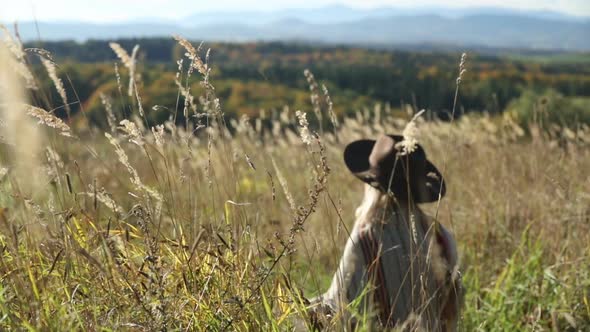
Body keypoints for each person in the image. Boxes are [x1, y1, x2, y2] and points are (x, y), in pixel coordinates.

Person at [310, 134, 462, 331]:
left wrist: (297, 307)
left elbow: (337, 313)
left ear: (371, 184)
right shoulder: (442, 237)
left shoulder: (366, 239)